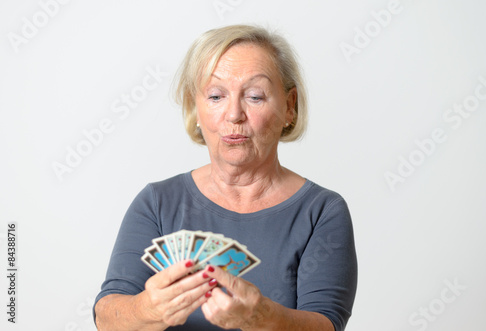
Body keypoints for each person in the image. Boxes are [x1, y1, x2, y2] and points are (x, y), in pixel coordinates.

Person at [94, 24, 357, 331]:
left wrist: (262, 317)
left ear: (289, 106)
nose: (234, 114)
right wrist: (147, 309)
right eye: (216, 96)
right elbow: (106, 318)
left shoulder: (322, 211)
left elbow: (326, 325)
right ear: (196, 108)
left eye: (255, 96)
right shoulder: (156, 203)